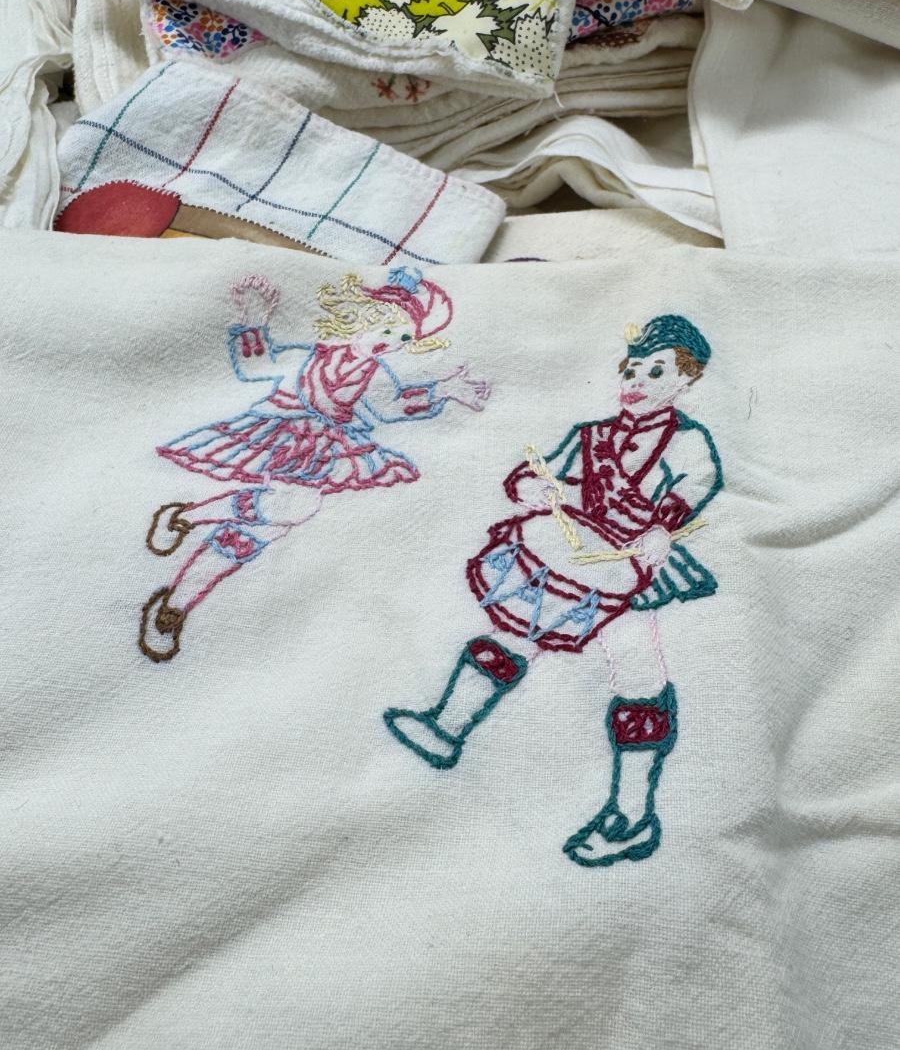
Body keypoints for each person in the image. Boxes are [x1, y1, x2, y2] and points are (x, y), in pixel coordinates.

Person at [384, 314, 723, 868]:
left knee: (637, 672)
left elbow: (696, 480)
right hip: (572, 555)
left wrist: (662, 527)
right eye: (632, 370)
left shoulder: (686, 441)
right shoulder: (591, 436)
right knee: (514, 632)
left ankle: (631, 816)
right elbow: (532, 476)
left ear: (686, 380)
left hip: (633, 568)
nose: (637, 381)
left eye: (656, 372)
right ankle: (445, 727)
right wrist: (535, 489)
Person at [139, 267, 490, 662]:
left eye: (404, 338)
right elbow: (259, 367)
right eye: (388, 329)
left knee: (266, 527)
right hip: (280, 433)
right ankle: (188, 525)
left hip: (325, 448)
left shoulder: (373, 374)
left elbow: (389, 405)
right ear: (359, 318)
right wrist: (253, 323)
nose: (392, 341)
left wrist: (442, 390)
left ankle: (178, 587)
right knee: (292, 508)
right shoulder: (307, 357)